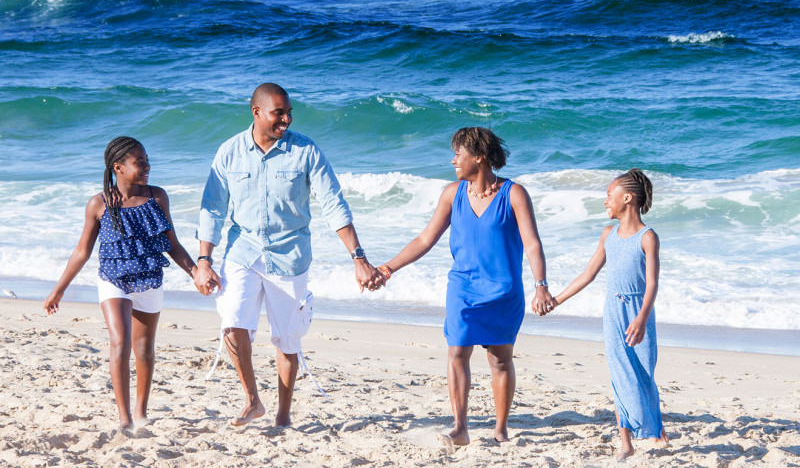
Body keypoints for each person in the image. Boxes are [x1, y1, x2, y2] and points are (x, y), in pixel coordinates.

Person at [194, 82, 382, 428]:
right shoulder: (229, 153)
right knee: (232, 322)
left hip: (290, 255)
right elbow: (212, 208)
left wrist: (358, 258)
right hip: (242, 251)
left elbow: (333, 204)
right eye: (279, 112)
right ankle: (252, 401)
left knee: (287, 339)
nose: (287, 119)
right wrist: (203, 261)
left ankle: (282, 414)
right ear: (257, 112)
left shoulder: (306, 152)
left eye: (289, 112)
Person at [374, 127, 555, 446]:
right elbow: (425, 239)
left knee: (499, 359)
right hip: (463, 288)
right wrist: (389, 267)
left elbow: (533, 244)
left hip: (503, 291)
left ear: (479, 157)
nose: (453, 160)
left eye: (459, 153)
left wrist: (541, 286)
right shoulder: (452, 194)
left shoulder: (513, 194)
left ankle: (500, 428)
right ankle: (460, 428)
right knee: (457, 350)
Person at [44, 136, 202, 430]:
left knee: (144, 349)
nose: (147, 167)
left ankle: (141, 411)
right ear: (118, 167)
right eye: (139, 162)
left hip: (149, 279)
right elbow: (82, 251)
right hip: (113, 280)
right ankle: (124, 418)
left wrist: (196, 272)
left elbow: (173, 245)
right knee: (120, 342)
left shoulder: (157, 197)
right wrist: (58, 290)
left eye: (147, 161)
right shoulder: (99, 204)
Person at [551, 168, 668, 460]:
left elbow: (652, 283)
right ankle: (625, 442)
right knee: (620, 374)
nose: (605, 201)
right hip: (613, 312)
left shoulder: (647, 236)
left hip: (639, 311)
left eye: (608, 195)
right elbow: (588, 274)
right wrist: (557, 299)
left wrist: (641, 318)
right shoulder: (608, 234)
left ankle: (655, 427)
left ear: (627, 198)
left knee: (643, 372)